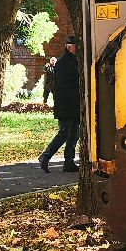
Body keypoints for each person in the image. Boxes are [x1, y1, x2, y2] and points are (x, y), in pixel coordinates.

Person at [39, 37, 81, 173]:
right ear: (70, 47)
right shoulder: (64, 63)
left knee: (74, 134)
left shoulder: (72, 61)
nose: (79, 49)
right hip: (66, 104)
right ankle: (45, 157)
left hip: (73, 104)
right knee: (64, 133)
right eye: (76, 46)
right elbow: (62, 87)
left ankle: (69, 162)